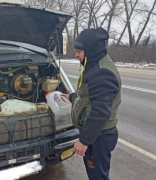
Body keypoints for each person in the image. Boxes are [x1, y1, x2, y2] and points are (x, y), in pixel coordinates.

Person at [62, 27, 121, 180]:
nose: (76, 55)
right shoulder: (93, 65)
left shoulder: (102, 72)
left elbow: (101, 111)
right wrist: (71, 97)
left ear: (90, 50)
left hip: (99, 136)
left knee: (98, 177)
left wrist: (84, 141)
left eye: (79, 51)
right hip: (96, 134)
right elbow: (88, 95)